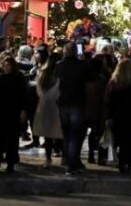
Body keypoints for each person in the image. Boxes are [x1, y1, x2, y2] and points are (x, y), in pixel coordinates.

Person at [0, 56, 28, 172]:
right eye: (6, 65)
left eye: (9, 65)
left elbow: (23, 95)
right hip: (0, 112)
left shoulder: (19, 78)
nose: (7, 68)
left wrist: (23, 110)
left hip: (13, 112)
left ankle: (10, 162)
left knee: (12, 139)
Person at [56, 41, 89, 175]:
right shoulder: (82, 66)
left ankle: (69, 161)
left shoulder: (59, 66)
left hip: (63, 102)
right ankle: (72, 164)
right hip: (77, 102)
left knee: (66, 134)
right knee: (75, 135)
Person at [107, 58, 131, 173]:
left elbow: (108, 99)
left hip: (117, 113)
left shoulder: (114, 82)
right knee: (129, 138)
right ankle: (128, 161)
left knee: (119, 138)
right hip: (130, 113)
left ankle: (121, 161)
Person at [34, 52, 63, 168]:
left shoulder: (43, 73)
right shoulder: (60, 74)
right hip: (57, 104)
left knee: (47, 133)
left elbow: (38, 89)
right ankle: (59, 152)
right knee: (59, 130)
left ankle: (48, 158)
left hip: (45, 105)